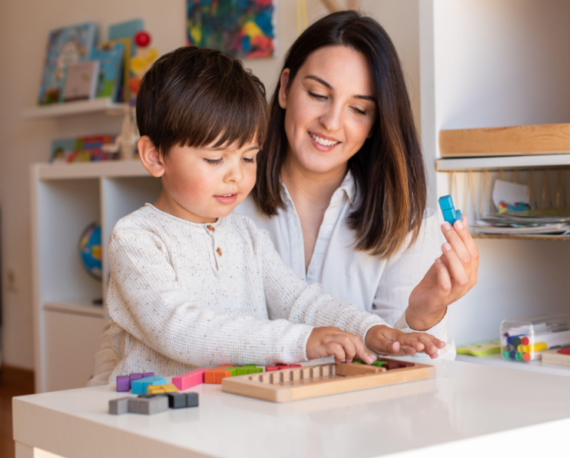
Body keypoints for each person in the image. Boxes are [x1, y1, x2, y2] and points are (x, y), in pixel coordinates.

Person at [99, 46, 444, 382]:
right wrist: (299, 342)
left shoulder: (245, 234)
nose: (236, 175)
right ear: (155, 157)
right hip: (153, 417)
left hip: (233, 415)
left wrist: (369, 331)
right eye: (215, 159)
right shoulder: (136, 237)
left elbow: (300, 301)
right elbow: (178, 328)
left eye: (248, 157)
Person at [237, 11, 479, 359]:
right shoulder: (225, 199)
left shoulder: (405, 223)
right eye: (318, 94)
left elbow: (412, 385)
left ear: (375, 123)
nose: (332, 122)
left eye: (359, 110)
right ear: (286, 87)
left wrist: (423, 316)